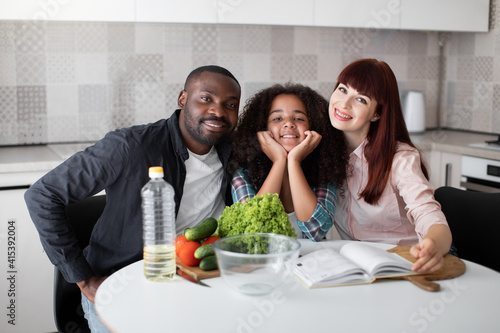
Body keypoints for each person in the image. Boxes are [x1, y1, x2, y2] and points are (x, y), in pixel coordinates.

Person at [24, 65, 241, 332]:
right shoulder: (130, 146)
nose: (218, 111)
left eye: (230, 104)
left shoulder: (236, 152)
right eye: (206, 99)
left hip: (195, 280)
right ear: (183, 99)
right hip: (120, 284)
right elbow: (42, 195)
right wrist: (84, 280)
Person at [328, 58, 452, 273]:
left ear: (377, 113)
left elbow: (428, 214)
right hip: (360, 266)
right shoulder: (324, 153)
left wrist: (432, 246)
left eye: (361, 99)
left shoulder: (400, 158)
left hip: (410, 263)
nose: (344, 104)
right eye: (342, 89)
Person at [229, 83, 348, 241]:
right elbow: (252, 232)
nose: (288, 123)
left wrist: (293, 161)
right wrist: (279, 161)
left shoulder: (325, 172)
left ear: (314, 127)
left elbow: (317, 231)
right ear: (263, 128)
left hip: (311, 262)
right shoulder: (244, 175)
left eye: (298, 118)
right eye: (277, 118)